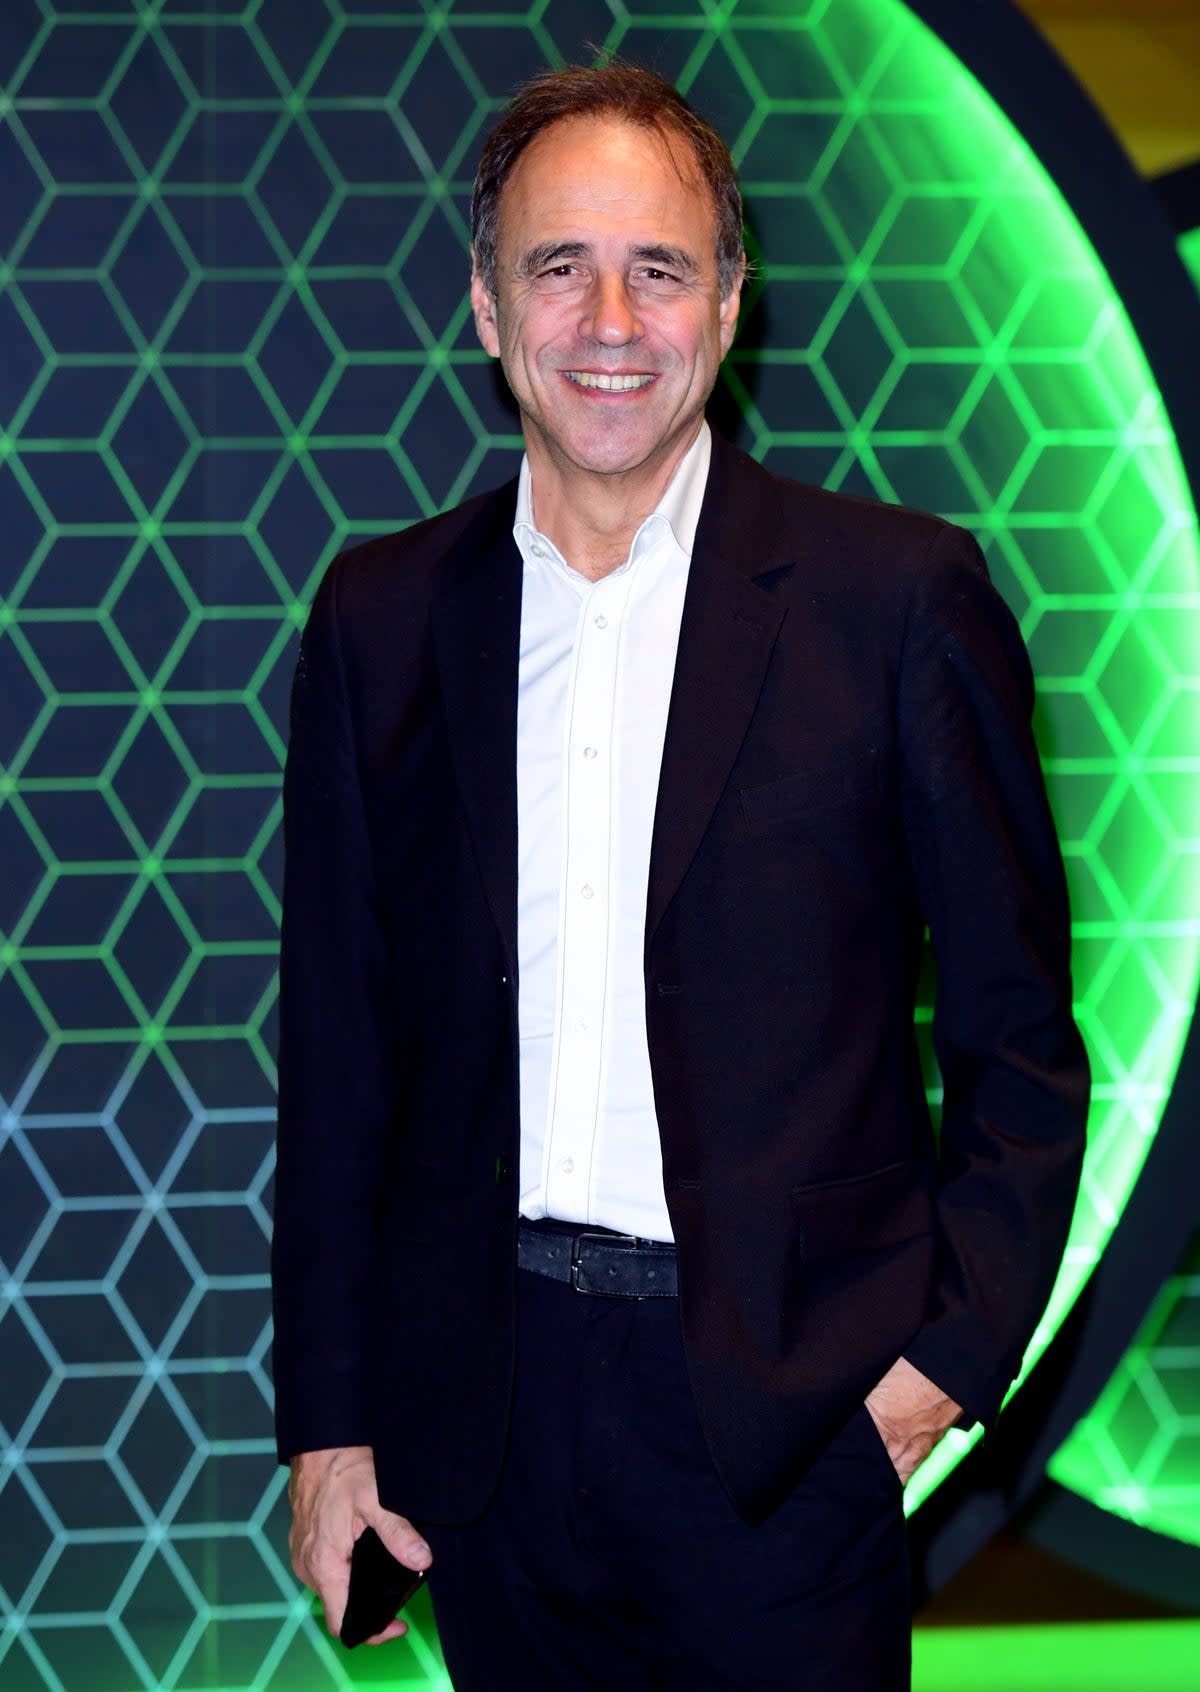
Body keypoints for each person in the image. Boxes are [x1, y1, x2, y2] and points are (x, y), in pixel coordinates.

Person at [271, 60, 1089, 1691]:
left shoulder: (896, 601)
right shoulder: (379, 619)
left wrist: (930, 1377)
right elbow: (342, 1057)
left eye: (659, 266)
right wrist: (331, 1424)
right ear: (490, 313)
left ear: (727, 302)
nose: (611, 319)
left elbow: (1020, 1041)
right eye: (558, 266)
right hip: (482, 1431)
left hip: (789, 1431)